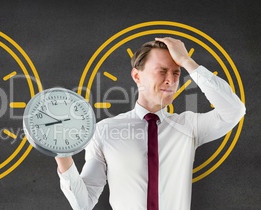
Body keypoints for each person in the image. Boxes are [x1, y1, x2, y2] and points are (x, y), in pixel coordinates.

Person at [55, 37, 246, 209]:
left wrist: (187, 62)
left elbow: (233, 111)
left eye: (177, 73)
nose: (171, 80)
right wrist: (61, 152)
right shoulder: (106, 131)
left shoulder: (189, 127)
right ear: (137, 76)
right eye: (162, 71)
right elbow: (83, 203)